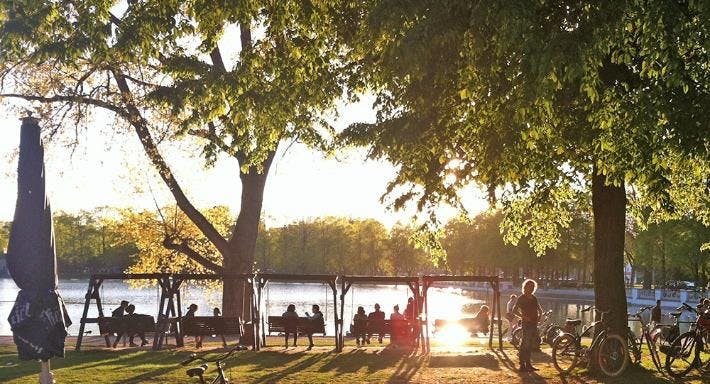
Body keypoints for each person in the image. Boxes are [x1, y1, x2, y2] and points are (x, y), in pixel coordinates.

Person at [513, 279, 543, 372]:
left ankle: (528, 364)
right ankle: (522, 364)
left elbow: (539, 309)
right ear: (525, 287)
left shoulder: (534, 298)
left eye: (533, 287)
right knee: (525, 343)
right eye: (530, 286)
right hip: (526, 324)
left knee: (530, 344)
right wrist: (523, 317)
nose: (532, 288)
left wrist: (540, 315)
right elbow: (514, 310)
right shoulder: (521, 298)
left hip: (534, 323)